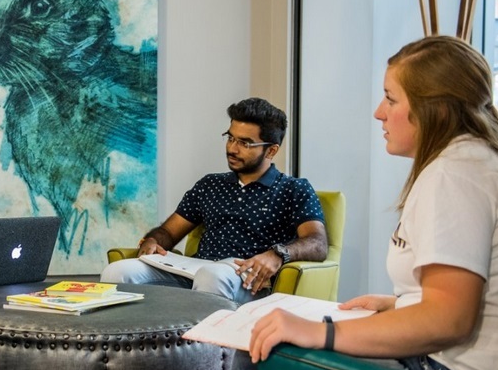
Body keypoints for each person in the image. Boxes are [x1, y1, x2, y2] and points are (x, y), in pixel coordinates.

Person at [246, 36, 498, 370]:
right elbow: (474, 297)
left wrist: (320, 331)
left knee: (256, 360)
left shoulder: (455, 175)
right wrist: (399, 304)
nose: (379, 111)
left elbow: (448, 320)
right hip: (473, 368)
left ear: (432, 110)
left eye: (391, 99)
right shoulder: (470, 162)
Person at [100, 97, 328, 303]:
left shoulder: (294, 189)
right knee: (118, 271)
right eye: (230, 138)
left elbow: (317, 243)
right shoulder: (211, 184)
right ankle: (128, 348)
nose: (232, 148)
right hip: (194, 271)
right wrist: (152, 240)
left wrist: (277, 254)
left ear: (271, 151)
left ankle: (201, 350)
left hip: (247, 278)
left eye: (245, 143)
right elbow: (169, 232)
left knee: (211, 276)